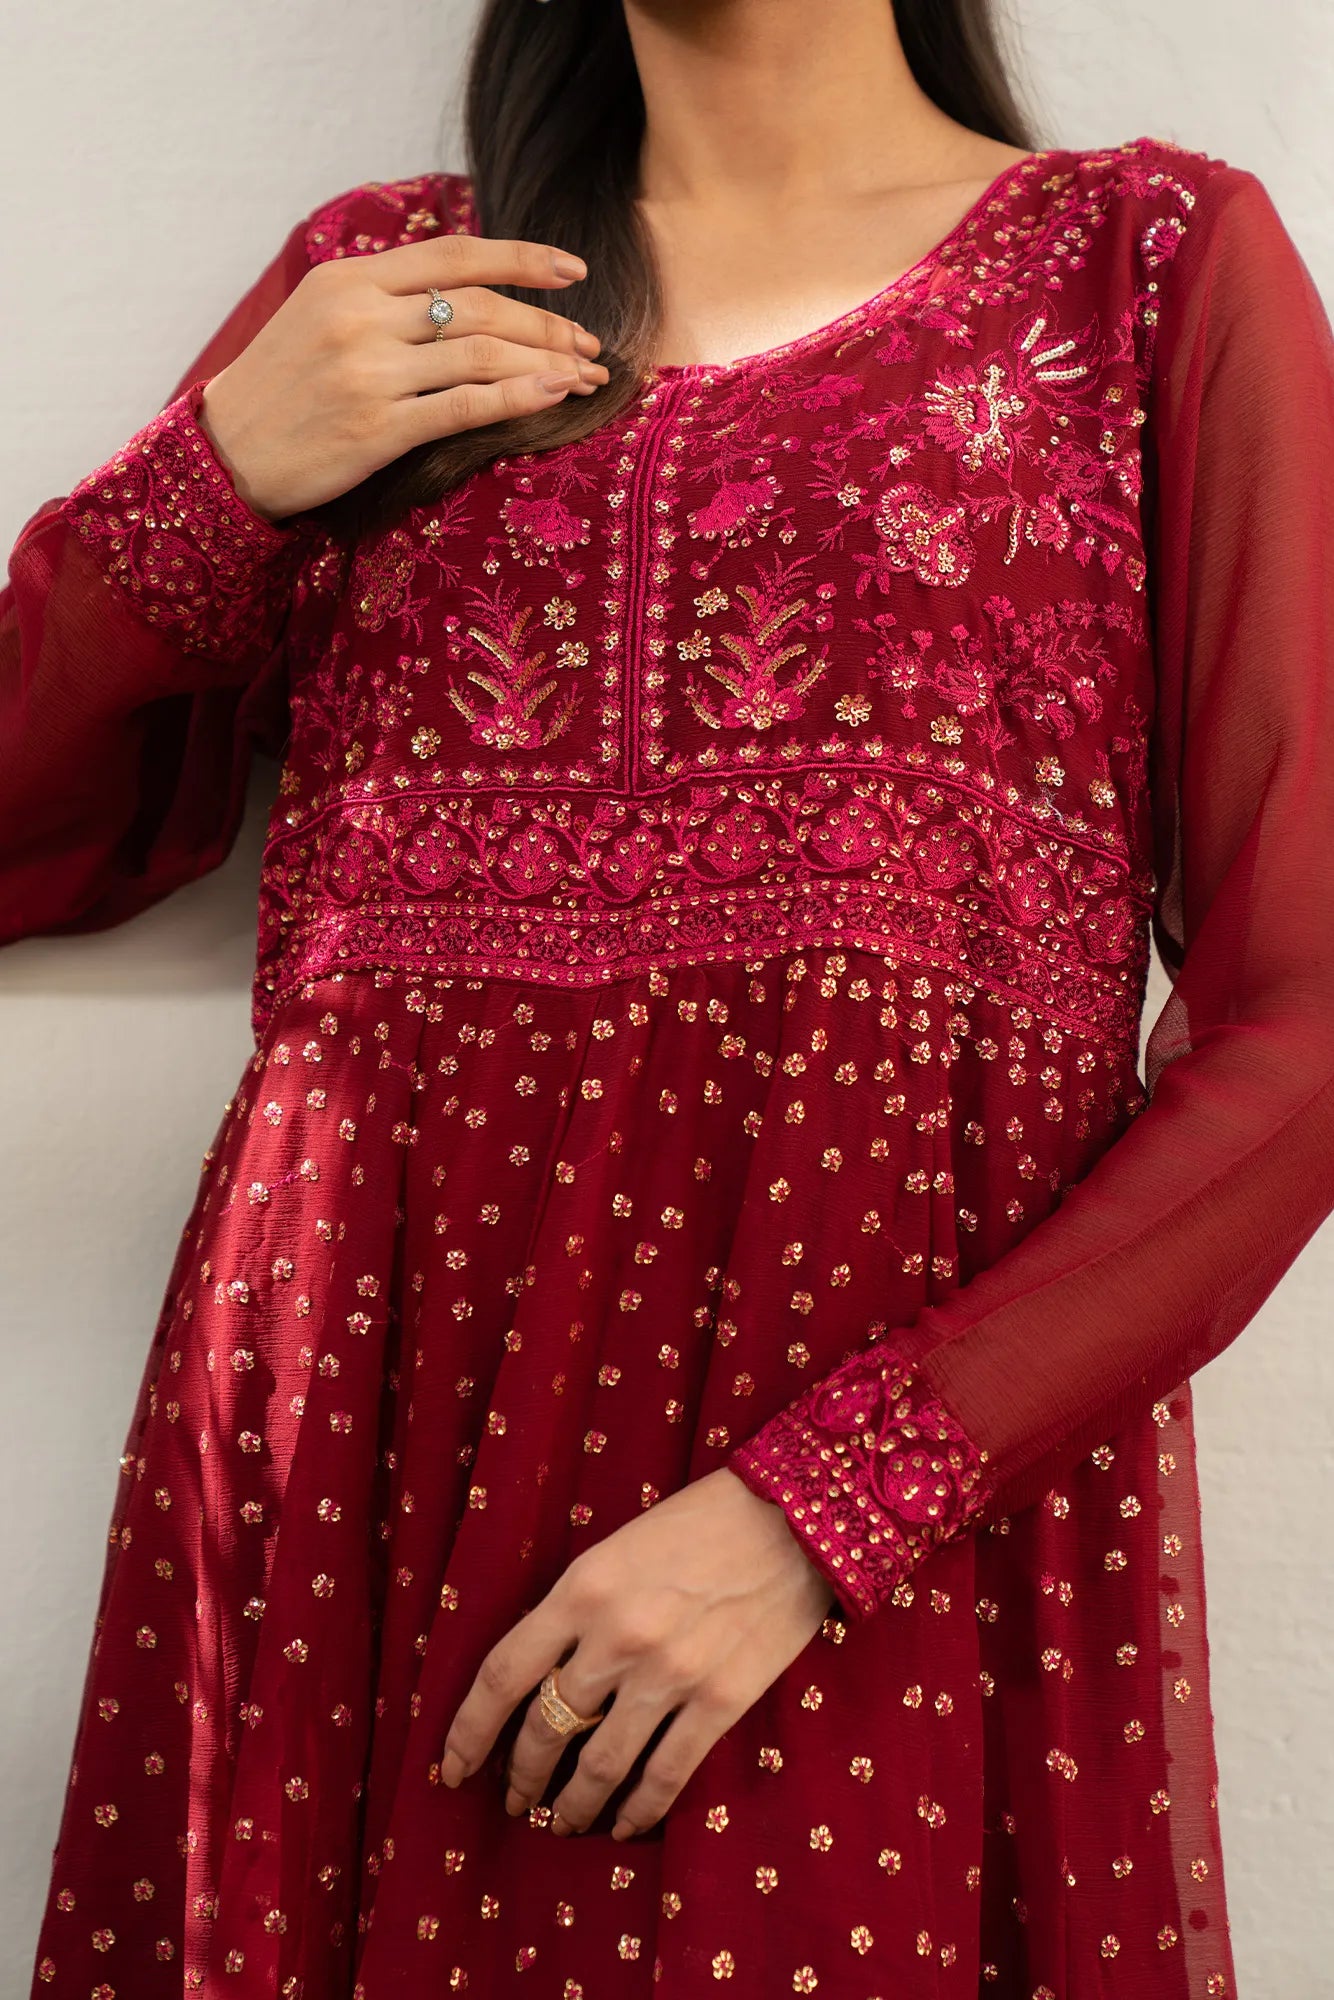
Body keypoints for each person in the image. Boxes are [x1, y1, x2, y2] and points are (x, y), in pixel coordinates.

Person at [5, 0, 1332, 1993]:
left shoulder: (1142, 270)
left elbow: (1299, 1034)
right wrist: (208, 484)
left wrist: (828, 1508)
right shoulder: (385, 292)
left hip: (855, 1555)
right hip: (336, 1518)